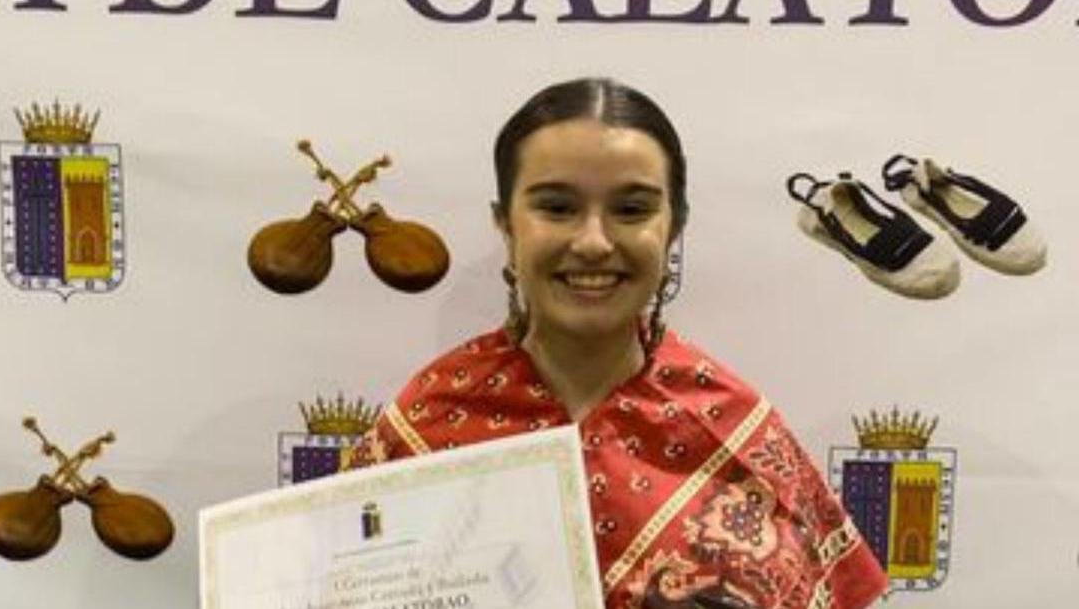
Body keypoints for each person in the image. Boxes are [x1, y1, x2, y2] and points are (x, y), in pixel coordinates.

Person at [348, 78, 887, 608]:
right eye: (556, 208)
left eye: (631, 210)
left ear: (674, 227)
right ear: (505, 226)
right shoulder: (427, 422)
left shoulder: (735, 430)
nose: (593, 242)